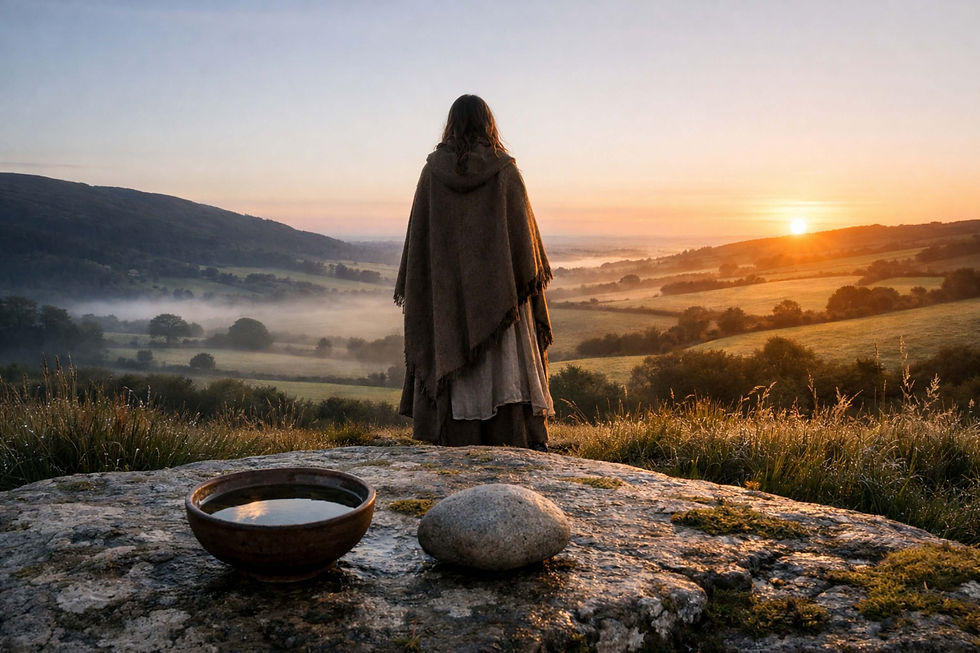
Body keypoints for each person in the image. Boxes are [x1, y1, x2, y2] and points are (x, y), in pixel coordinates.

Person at [395, 94, 554, 450]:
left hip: (447, 300)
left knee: (455, 351)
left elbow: (422, 250)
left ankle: (457, 437)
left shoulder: (432, 173)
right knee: (503, 365)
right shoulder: (506, 171)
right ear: (489, 124)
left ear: (451, 124)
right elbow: (524, 251)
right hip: (503, 303)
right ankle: (509, 436)